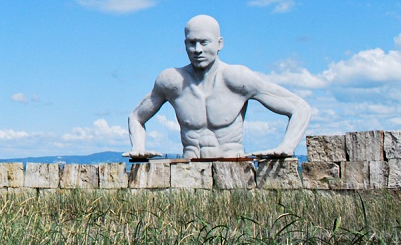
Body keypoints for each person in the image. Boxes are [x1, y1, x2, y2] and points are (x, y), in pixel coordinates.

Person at [126, 15, 310, 160]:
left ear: (219, 43)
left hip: (232, 169)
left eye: (204, 42)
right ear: (185, 45)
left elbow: (300, 108)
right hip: (189, 172)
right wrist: (138, 147)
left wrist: (287, 146)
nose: (197, 49)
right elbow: (136, 117)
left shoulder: (236, 78)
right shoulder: (172, 81)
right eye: (192, 43)